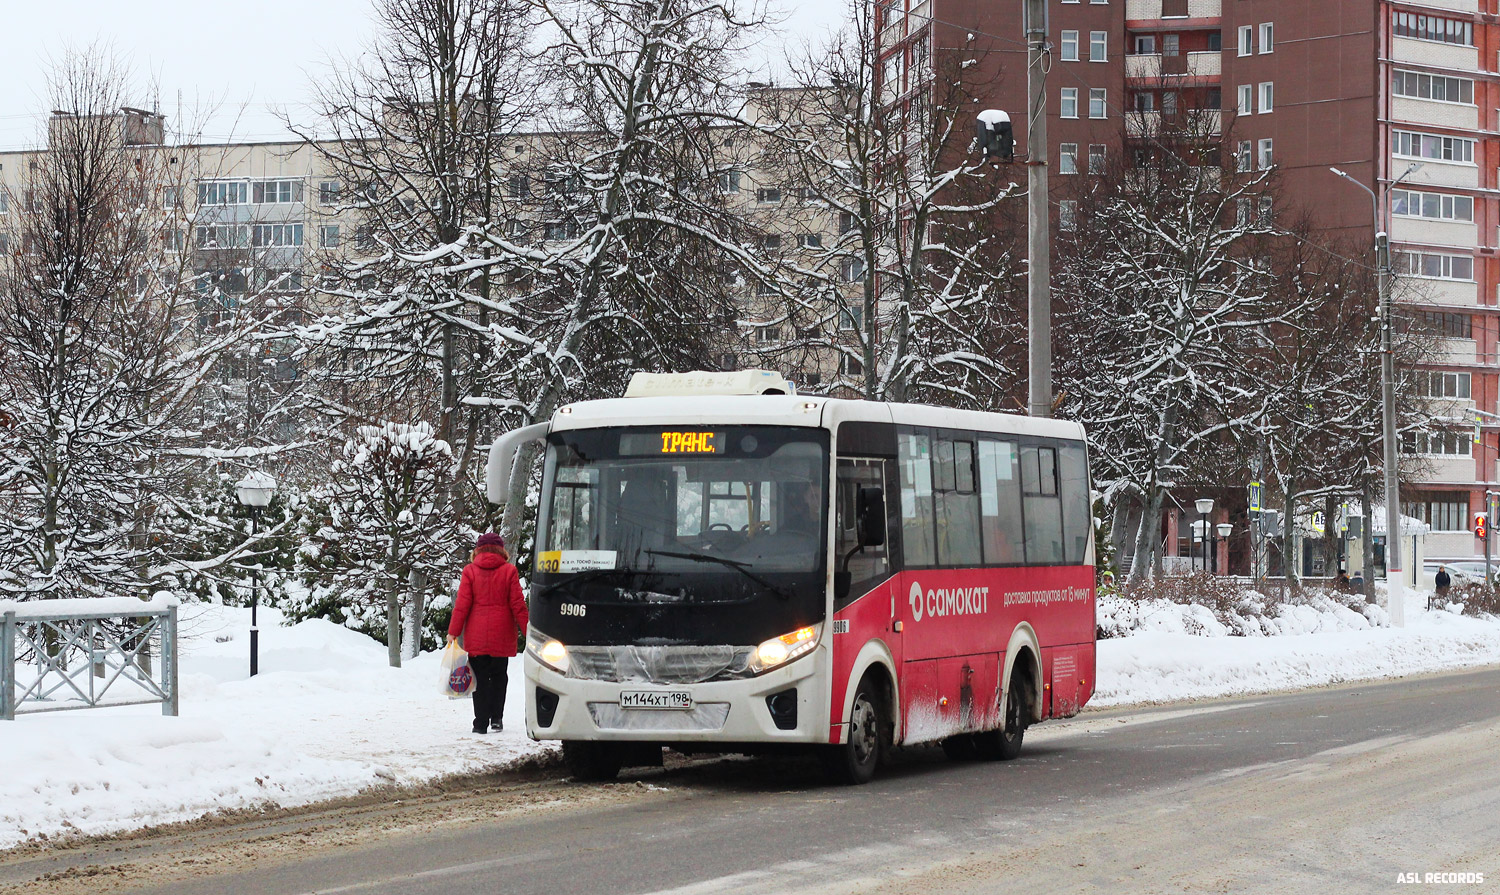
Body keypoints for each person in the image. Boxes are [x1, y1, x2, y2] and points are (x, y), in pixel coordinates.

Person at [448, 533, 529, 735]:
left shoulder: (470, 571)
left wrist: (453, 632)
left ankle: (480, 723)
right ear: (501, 550)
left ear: (478, 550)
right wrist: (529, 632)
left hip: (477, 635)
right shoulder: (509, 571)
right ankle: (497, 718)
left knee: (480, 679)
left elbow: (462, 605)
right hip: (502, 634)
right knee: (500, 676)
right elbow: (518, 605)